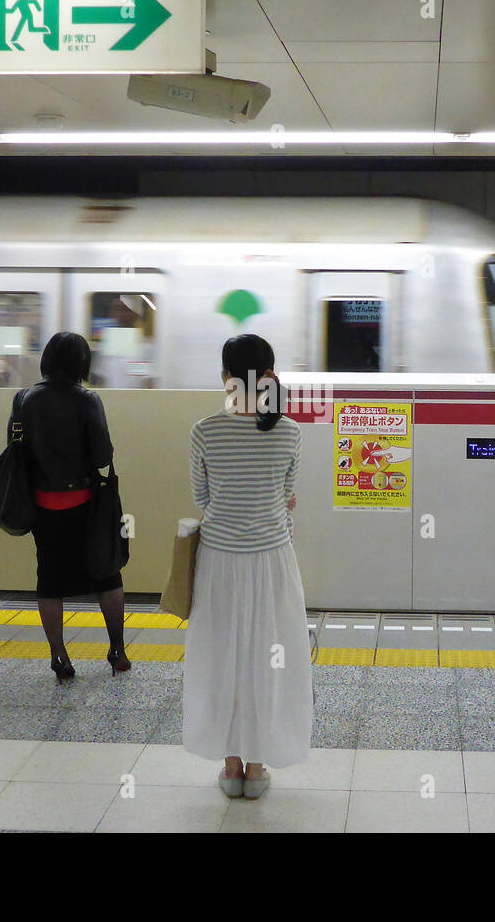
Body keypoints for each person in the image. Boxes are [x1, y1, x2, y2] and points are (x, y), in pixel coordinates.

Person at [184, 334, 310, 800]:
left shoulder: (204, 431)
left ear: (225, 377)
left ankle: (231, 764)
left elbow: (203, 500)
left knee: (223, 658)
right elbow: (285, 496)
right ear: (271, 376)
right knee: (266, 659)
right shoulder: (290, 431)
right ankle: (257, 769)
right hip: (272, 562)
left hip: (219, 563)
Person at [15, 331, 130, 680]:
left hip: (43, 505)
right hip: (85, 503)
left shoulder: (24, 398)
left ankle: (60, 657)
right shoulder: (87, 399)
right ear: (83, 363)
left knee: (49, 579)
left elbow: (16, 447)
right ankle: (117, 650)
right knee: (106, 574)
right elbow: (102, 455)